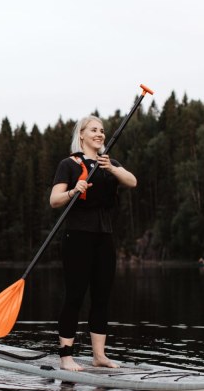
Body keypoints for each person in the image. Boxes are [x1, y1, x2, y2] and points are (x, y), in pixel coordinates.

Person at [49, 115, 137, 371]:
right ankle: (66, 357)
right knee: (75, 295)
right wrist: (73, 190)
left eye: (102, 130)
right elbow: (54, 200)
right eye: (94, 130)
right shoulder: (69, 164)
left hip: (104, 237)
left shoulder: (108, 162)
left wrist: (111, 167)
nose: (100, 134)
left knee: (102, 297)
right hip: (77, 236)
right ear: (82, 135)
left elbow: (132, 181)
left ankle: (99, 355)